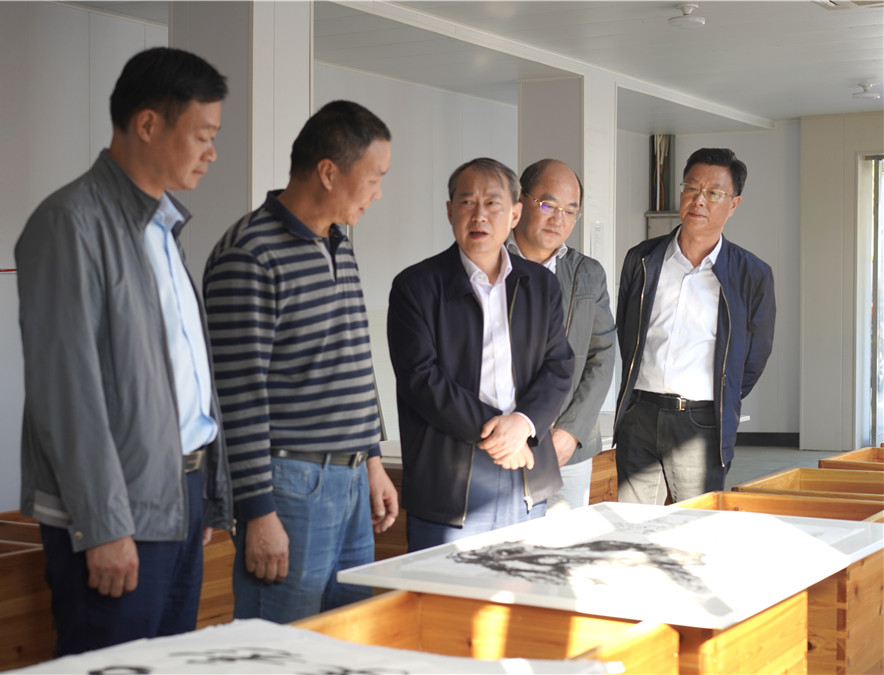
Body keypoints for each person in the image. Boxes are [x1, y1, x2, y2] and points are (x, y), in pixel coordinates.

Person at [15, 47, 233, 657]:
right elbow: (69, 396)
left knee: (167, 664)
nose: (212, 152)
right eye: (203, 135)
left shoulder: (162, 226)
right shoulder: (71, 222)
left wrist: (203, 495)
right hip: (118, 513)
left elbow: (182, 376)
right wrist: (104, 525)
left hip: (179, 495)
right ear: (147, 124)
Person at [203, 100, 399, 624]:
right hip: (289, 486)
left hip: (352, 481)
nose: (378, 193)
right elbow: (237, 397)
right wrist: (257, 512)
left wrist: (372, 459)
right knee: (282, 647)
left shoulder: (339, 244)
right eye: (374, 178)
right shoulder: (250, 253)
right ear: (329, 172)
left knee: (347, 639)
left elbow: (353, 363)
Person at [387, 157, 574, 552]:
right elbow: (422, 380)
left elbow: (558, 366)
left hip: (526, 475)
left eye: (492, 203)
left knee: (523, 585)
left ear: (515, 214)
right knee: (443, 589)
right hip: (449, 481)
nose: (479, 215)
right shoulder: (416, 287)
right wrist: (501, 433)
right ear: (449, 211)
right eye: (467, 202)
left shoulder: (541, 285)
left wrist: (523, 423)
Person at [613, 147, 776, 504]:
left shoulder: (752, 274)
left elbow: (755, 356)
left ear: (733, 204)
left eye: (714, 193)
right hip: (639, 414)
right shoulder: (643, 259)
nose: (699, 200)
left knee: (695, 522)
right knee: (631, 524)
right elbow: (626, 332)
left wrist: (723, 394)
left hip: (701, 422)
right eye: (691, 188)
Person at [508, 159, 616, 512]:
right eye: (548, 205)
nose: (559, 219)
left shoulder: (588, 274)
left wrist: (572, 430)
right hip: (503, 444)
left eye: (570, 211)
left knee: (565, 541)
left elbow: (602, 357)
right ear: (520, 200)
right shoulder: (490, 264)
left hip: (566, 449)